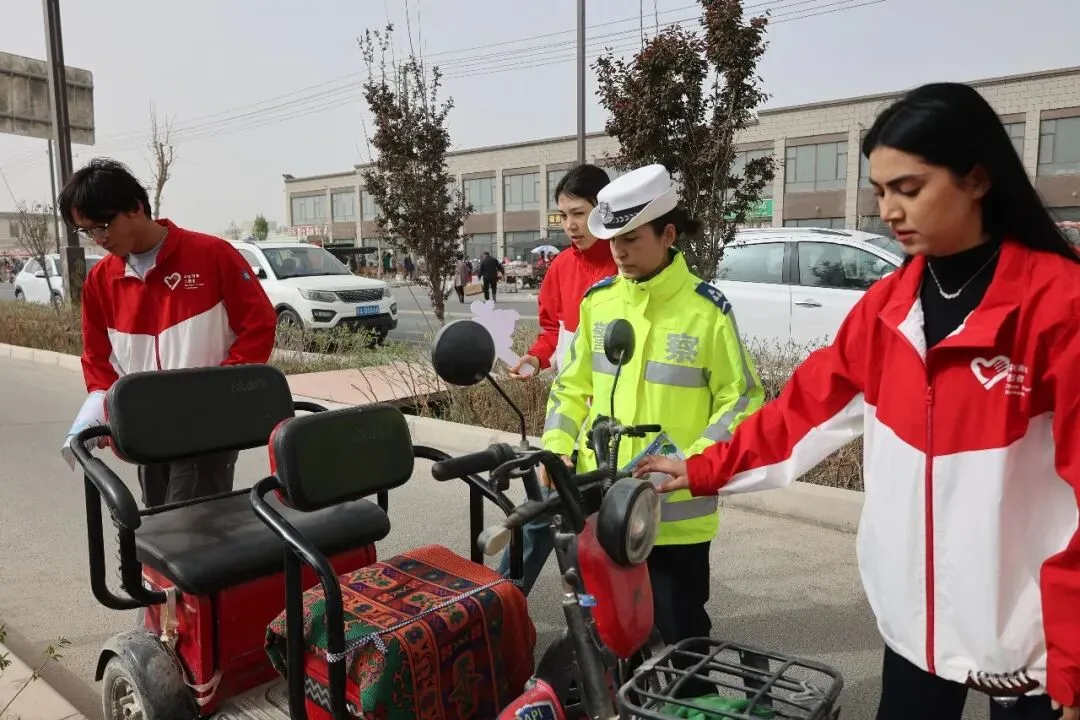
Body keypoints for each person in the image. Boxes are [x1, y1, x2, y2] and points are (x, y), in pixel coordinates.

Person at [636, 83, 1080, 720]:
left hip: (1032, 635)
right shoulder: (887, 310)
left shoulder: (1059, 308)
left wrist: (1075, 669)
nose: (890, 210)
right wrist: (703, 466)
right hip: (912, 622)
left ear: (978, 178)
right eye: (880, 192)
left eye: (910, 187)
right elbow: (802, 410)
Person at [544, 164, 764, 688]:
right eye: (613, 237)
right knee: (606, 632)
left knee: (681, 637)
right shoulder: (599, 303)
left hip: (675, 512)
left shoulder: (705, 312)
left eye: (632, 238)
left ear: (668, 234)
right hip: (601, 501)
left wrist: (693, 462)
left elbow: (742, 400)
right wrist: (558, 448)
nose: (618, 250)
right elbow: (571, 387)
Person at [59, 158, 277, 508]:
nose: (99, 239)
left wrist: (222, 390)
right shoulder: (101, 279)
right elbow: (96, 357)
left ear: (135, 207)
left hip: (207, 424)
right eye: (87, 231)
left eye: (102, 226)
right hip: (144, 428)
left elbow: (259, 325)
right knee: (160, 519)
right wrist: (103, 409)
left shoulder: (210, 254)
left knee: (194, 526)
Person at [499, 163, 616, 593]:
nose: (570, 225)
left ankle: (607, 623)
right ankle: (503, 600)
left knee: (600, 530)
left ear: (604, 209)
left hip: (615, 420)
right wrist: (535, 358)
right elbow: (553, 332)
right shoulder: (562, 268)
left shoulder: (626, 264)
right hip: (569, 416)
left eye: (579, 213)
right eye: (564, 215)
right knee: (543, 513)